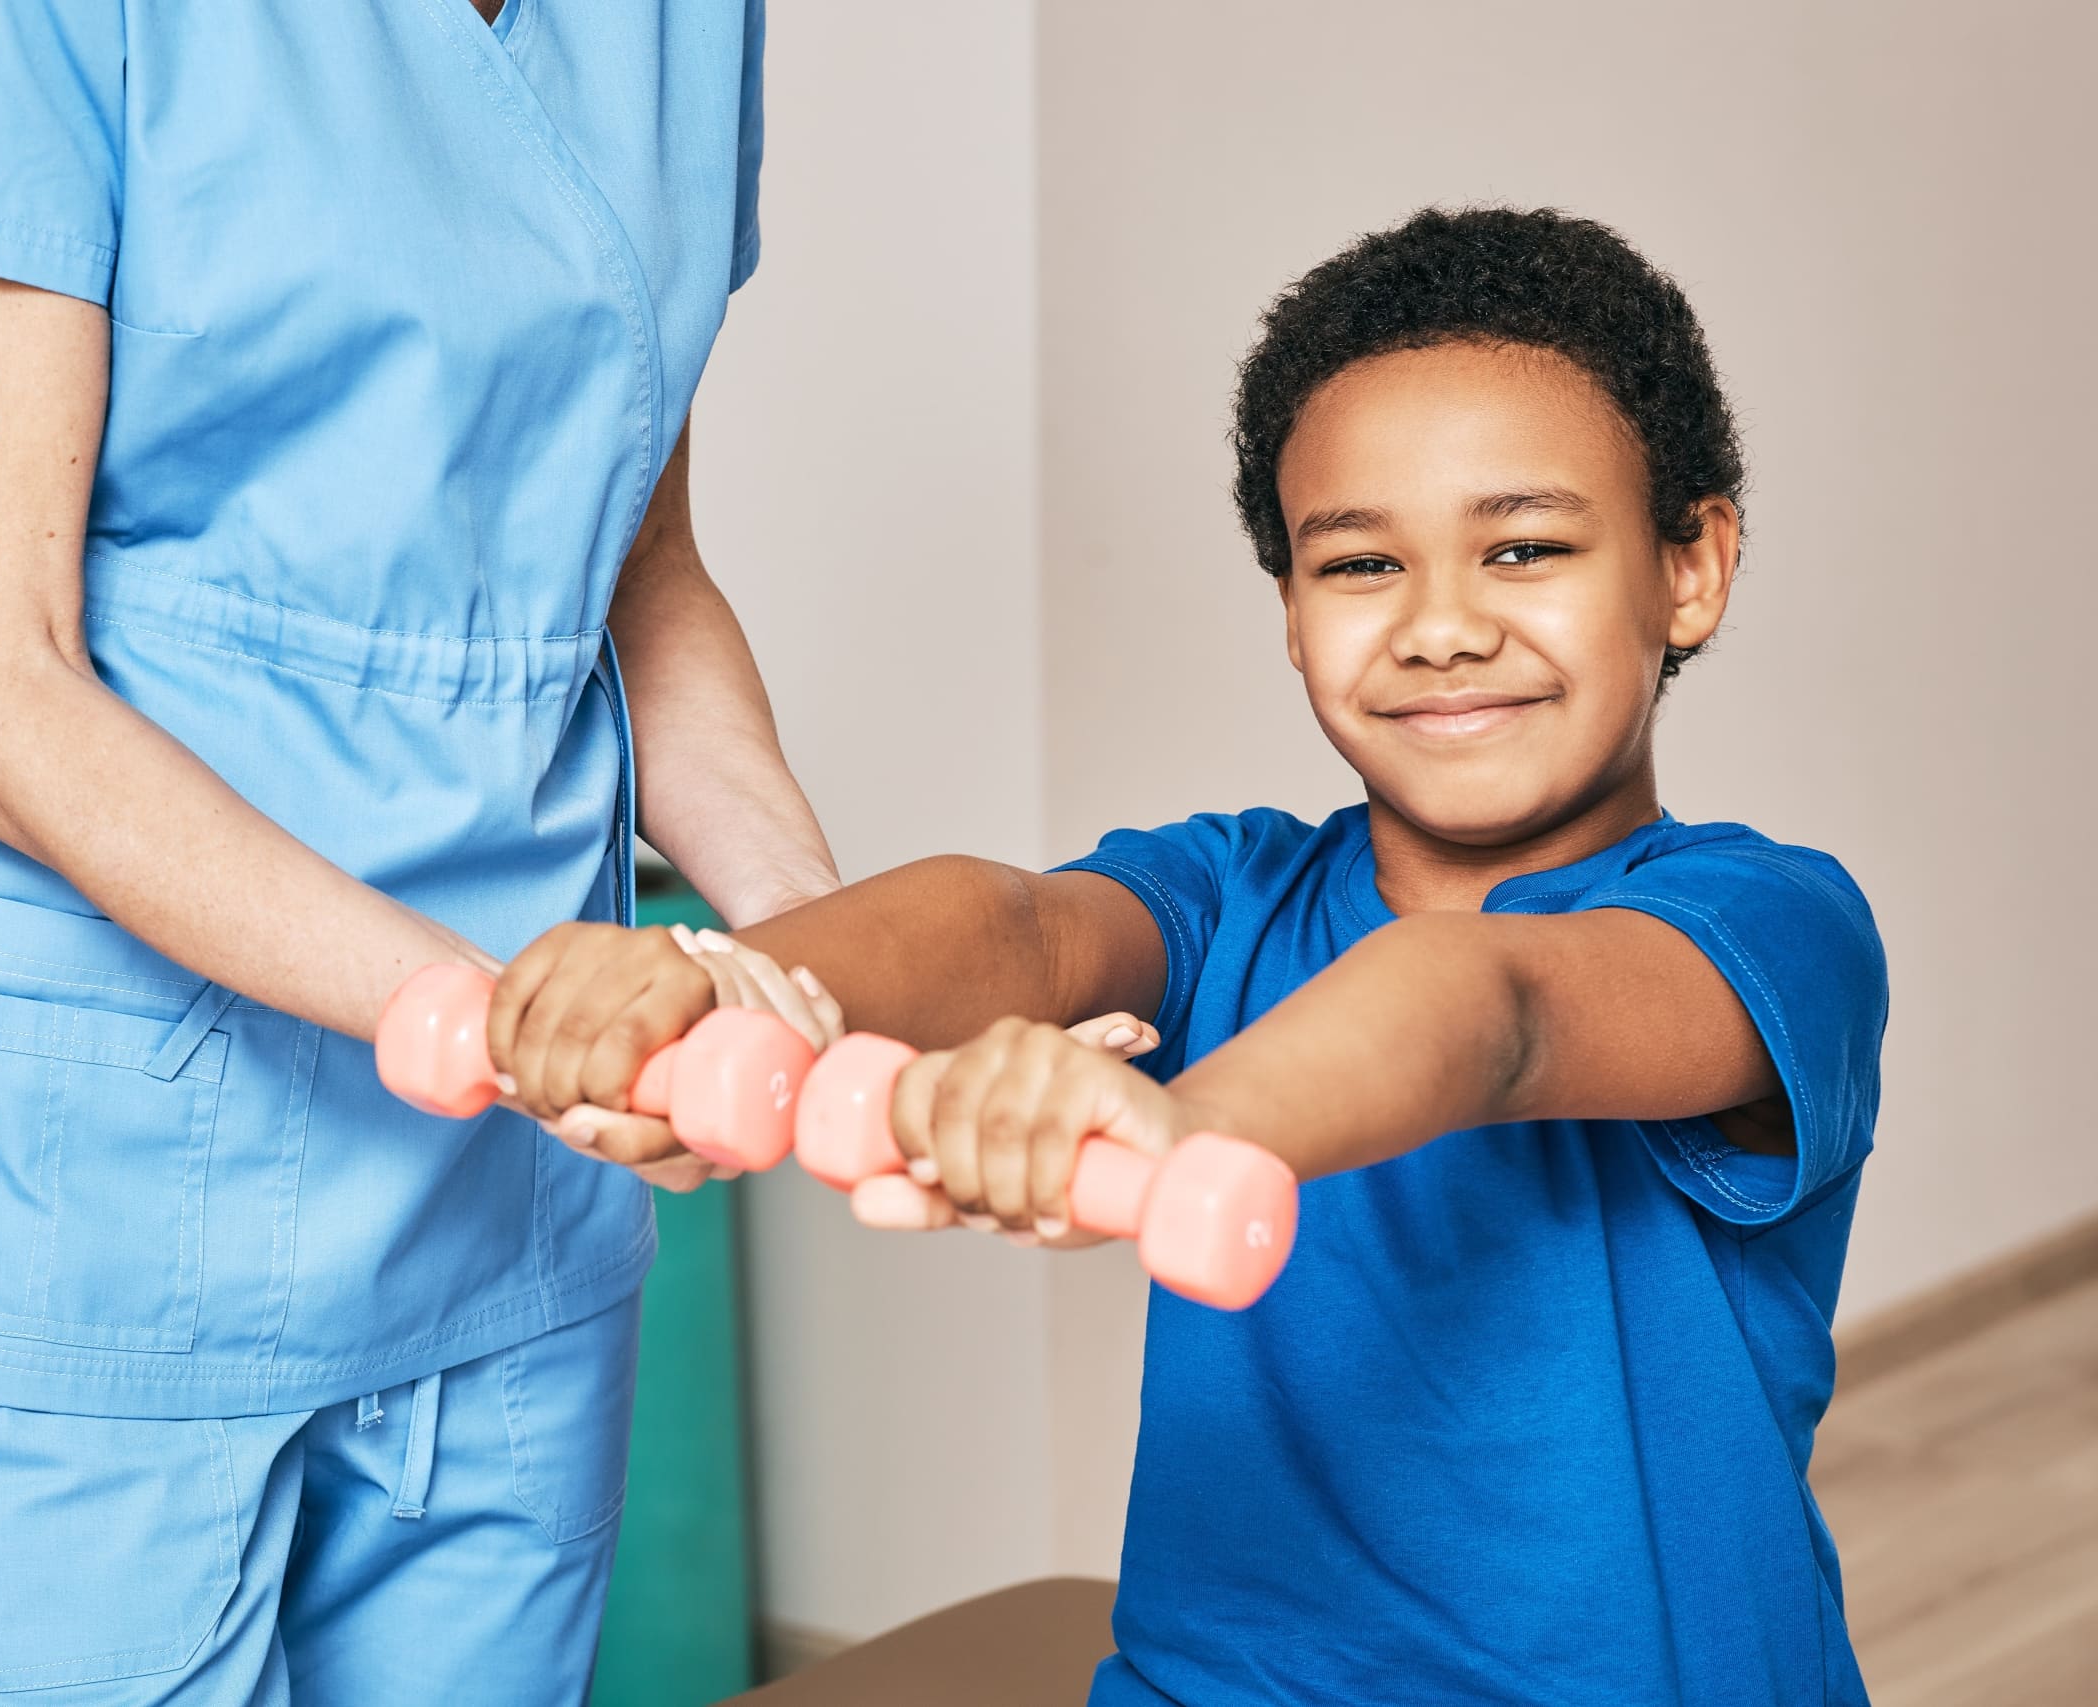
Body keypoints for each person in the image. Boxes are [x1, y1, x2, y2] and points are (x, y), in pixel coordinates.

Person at [485, 207, 1886, 1705]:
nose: (1440, 627)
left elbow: (1496, 1005)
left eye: (1524, 548)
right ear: (1289, 607)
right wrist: (721, 982)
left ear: (1693, 565)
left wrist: (1188, 1125)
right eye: (1360, 567)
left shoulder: (1769, 923)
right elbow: (1010, 923)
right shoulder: (1232, 892)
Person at [0, 3, 835, 1702]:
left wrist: (834, 966)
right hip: (68, 1184)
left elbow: (630, 566)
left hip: (504, 1215)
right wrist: (506, 1024)